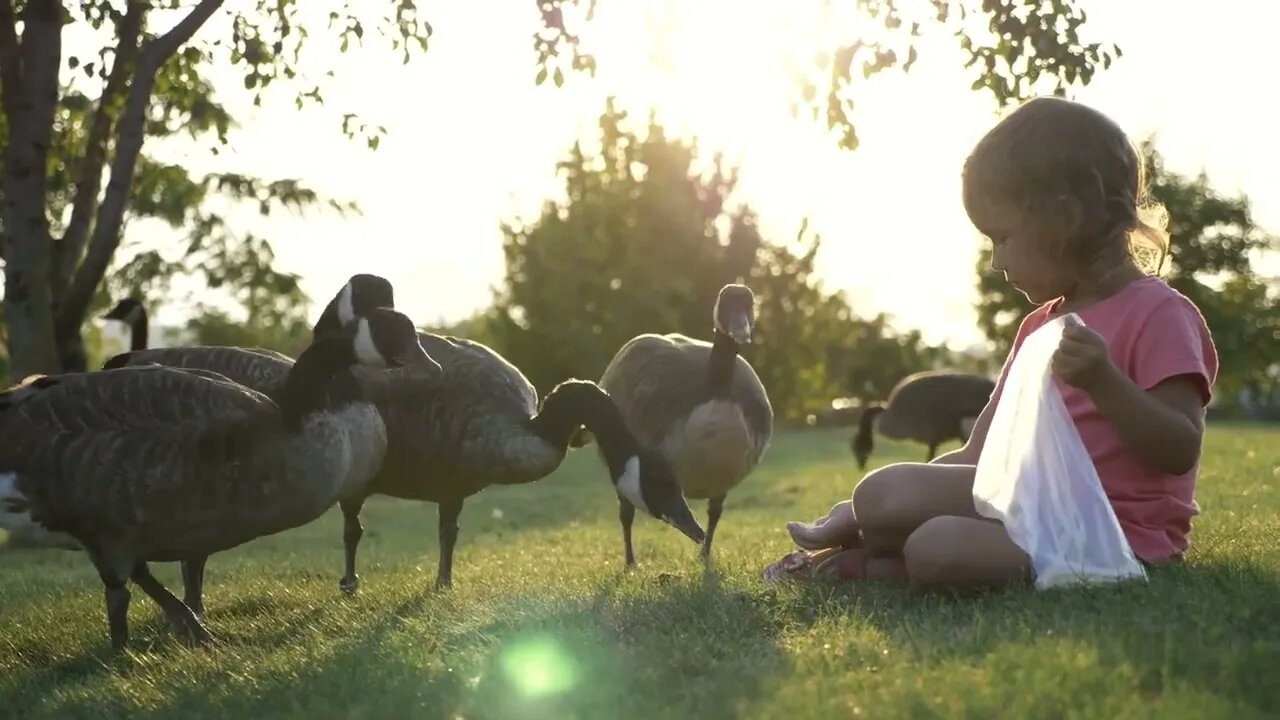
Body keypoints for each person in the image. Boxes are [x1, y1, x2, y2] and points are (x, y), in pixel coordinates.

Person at [764, 96, 1219, 591]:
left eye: (1001, 238)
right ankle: (863, 549)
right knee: (881, 493)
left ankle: (868, 569)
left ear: (1061, 219)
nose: (995, 262)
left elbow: (1179, 447)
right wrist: (862, 512)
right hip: (1028, 511)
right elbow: (978, 456)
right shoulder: (1038, 328)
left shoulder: (1160, 314)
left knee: (937, 549)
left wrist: (1104, 382)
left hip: (1108, 533)